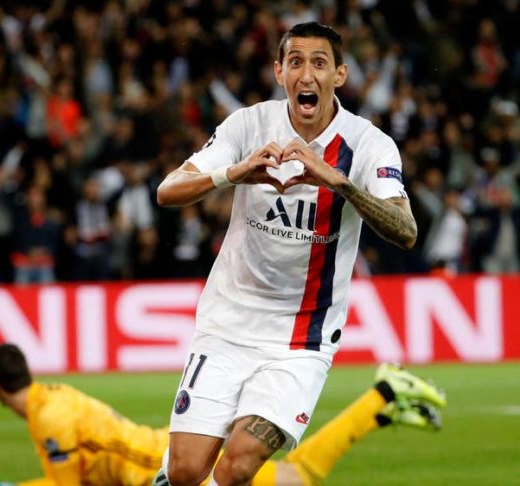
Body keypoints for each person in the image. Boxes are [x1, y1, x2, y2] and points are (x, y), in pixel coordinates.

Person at [153, 22, 420, 486]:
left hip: (302, 340)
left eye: (319, 63)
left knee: (236, 467)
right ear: (279, 72)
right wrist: (234, 173)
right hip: (227, 324)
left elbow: (406, 230)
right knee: (184, 472)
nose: (306, 74)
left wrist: (339, 182)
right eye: (295, 62)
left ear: (339, 74)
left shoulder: (368, 144)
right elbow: (168, 189)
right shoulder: (248, 125)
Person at [0, 343, 445, 486]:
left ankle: (384, 394)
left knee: (298, 476)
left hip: (164, 469)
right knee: (297, 476)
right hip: (157, 457)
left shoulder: (49, 419)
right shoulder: (49, 400)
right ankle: (382, 406)